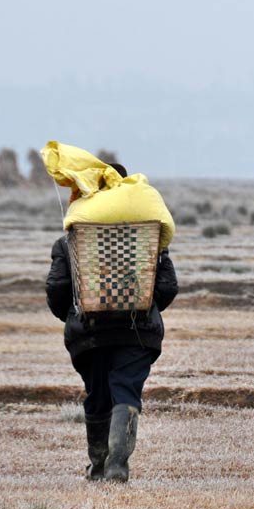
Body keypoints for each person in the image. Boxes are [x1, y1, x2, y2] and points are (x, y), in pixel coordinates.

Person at [45, 162, 178, 483]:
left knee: (97, 395)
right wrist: (145, 306)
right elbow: (167, 286)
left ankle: (99, 465)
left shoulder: (71, 241)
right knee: (126, 392)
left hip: (88, 335)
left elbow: (57, 288)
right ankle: (118, 464)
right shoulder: (147, 241)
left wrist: (73, 315)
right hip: (137, 333)